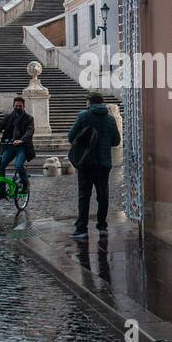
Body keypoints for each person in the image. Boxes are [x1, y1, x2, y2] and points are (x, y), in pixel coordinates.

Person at [67, 92, 121, 238]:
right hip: (104, 163)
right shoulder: (110, 119)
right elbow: (116, 141)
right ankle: (102, 226)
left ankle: (82, 228)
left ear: (89, 102)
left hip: (86, 163)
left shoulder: (84, 116)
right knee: (103, 195)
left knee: (84, 195)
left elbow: (71, 137)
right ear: (102, 102)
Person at [0, 96, 34, 191]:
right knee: (1, 166)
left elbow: (29, 131)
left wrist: (21, 140)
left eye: (20, 106)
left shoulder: (29, 118)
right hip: (9, 146)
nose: (18, 107)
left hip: (23, 147)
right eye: (16, 106)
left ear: (24, 106)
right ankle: (2, 190)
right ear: (13, 106)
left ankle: (26, 183)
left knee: (18, 165)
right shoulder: (8, 117)